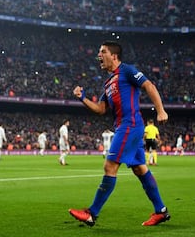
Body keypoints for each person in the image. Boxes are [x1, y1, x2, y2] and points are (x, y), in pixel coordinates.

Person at [70, 40, 170, 227]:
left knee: (110, 167)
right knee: (140, 168)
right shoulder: (108, 82)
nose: (99, 55)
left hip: (129, 125)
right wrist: (82, 98)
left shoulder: (127, 70)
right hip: (124, 126)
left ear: (114, 56)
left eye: (103, 52)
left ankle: (92, 213)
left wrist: (160, 110)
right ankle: (161, 211)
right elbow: (100, 109)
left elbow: (149, 86)